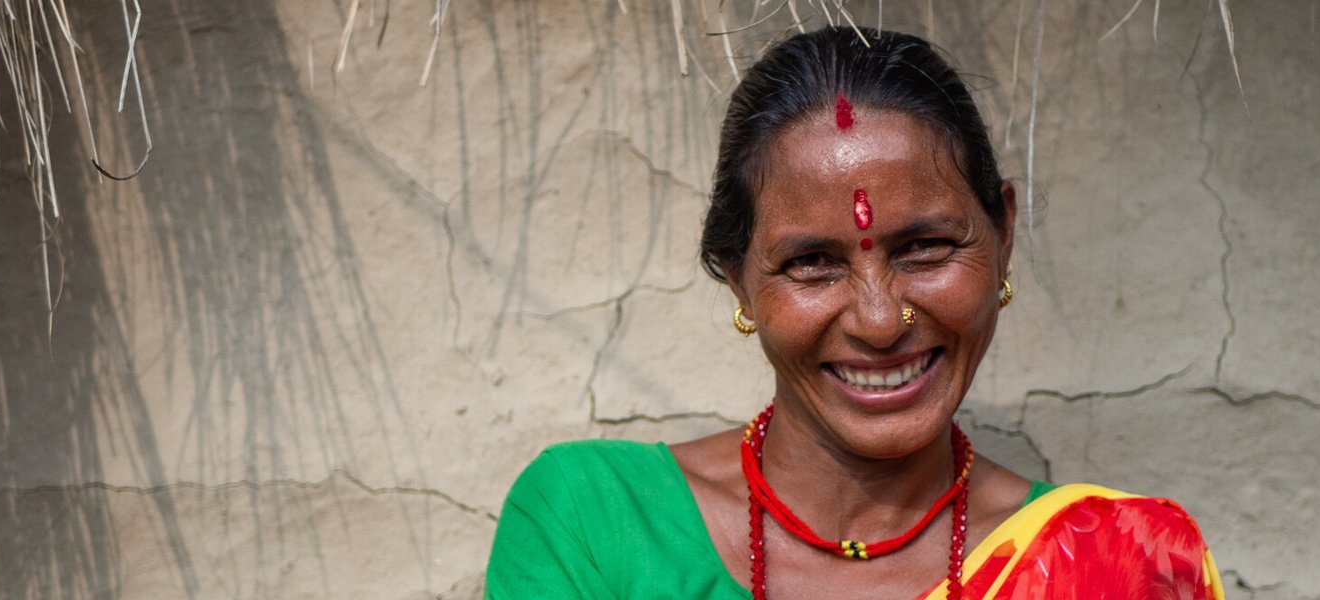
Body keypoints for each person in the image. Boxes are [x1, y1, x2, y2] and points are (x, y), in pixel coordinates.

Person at [485, 26, 1224, 600]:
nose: (878, 320)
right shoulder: (595, 524)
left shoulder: (1123, 565)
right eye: (811, 262)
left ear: (1002, 233)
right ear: (737, 278)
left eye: (927, 247)